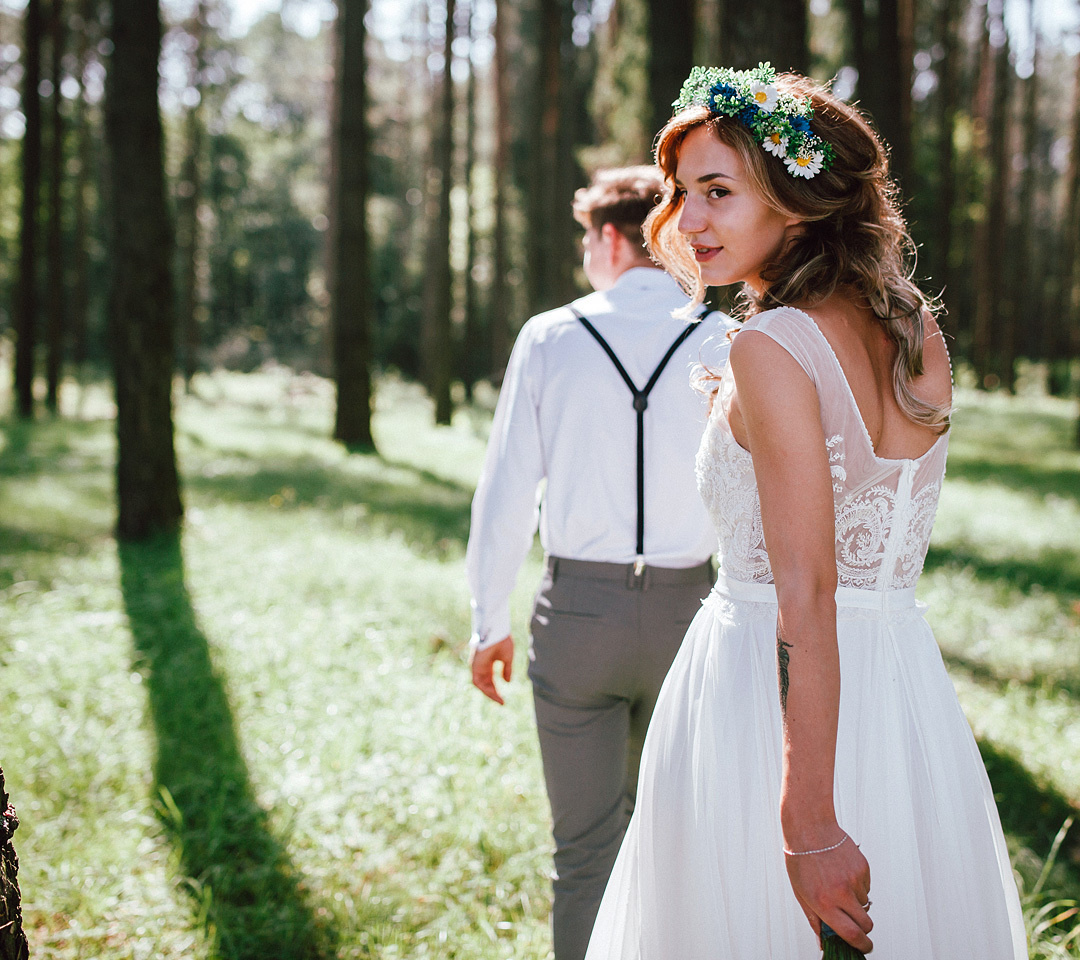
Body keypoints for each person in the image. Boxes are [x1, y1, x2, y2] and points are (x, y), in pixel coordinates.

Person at [584, 64, 1026, 959]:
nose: (687, 220)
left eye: (718, 190)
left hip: (769, 699)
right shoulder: (912, 327)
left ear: (797, 198)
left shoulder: (772, 345)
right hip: (900, 688)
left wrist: (811, 822)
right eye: (681, 193)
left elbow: (809, 594)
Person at [466, 165, 733, 960]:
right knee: (684, 849)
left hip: (578, 616)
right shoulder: (723, 335)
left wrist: (488, 622)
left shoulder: (551, 336)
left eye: (588, 238)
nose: (587, 252)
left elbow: (506, 490)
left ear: (613, 238)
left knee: (585, 852)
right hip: (694, 617)